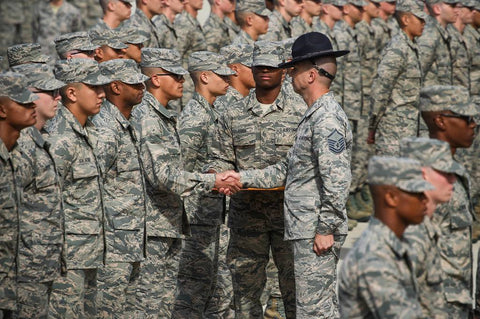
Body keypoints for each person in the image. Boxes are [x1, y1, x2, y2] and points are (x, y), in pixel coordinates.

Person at [129, 48, 241, 317]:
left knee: (187, 296)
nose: (181, 81)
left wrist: (213, 172)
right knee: (168, 300)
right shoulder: (162, 117)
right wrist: (212, 180)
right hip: (174, 220)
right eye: (175, 76)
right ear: (155, 79)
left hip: (179, 220)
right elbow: (172, 173)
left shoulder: (165, 116)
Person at [47, 59, 112, 318]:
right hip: (67, 257)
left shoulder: (90, 132)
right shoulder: (60, 138)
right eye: (94, 88)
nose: (102, 94)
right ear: (71, 93)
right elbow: (48, 203)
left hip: (90, 252)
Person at [172, 51, 235, 318]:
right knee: (194, 289)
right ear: (205, 77)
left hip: (212, 214)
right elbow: (180, 171)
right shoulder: (194, 117)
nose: (228, 80)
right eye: (222, 75)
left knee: (215, 286)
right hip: (197, 216)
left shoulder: (211, 110)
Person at [91, 59, 149, 318]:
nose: (142, 86)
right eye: (134, 83)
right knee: (107, 310)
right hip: (112, 243)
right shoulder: (105, 128)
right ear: (115, 86)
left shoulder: (128, 122)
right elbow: (95, 185)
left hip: (132, 238)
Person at [338, 156, 431, 318]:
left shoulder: (396, 244)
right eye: (417, 193)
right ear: (391, 197)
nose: (425, 200)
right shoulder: (374, 256)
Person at [8, 64, 65, 318]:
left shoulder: (41, 140)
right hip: (24, 268)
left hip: (45, 262)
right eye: (49, 92)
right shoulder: (21, 146)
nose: (58, 97)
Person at [419, 84, 477, 317]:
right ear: (441, 121)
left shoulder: (453, 170)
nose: (473, 124)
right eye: (466, 117)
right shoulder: (425, 176)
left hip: (455, 303)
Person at [400, 137, 461, 318]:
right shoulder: (410, 235)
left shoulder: (426, 224)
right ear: (423, 174)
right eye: (445, 173)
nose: (453, 180)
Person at [0, 72, 38, 318]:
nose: (32, 105)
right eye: (23, 102)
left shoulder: (17, 154)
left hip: (15, 279)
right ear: (2, 110)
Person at [368, 0, 427, 156]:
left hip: (411, 131)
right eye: (419, 19)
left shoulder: (412, 47)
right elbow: (380, 90)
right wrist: (372, 126)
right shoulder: (397, 49)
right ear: (406, 19)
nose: (423, 23)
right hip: (393, 134)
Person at [333, 0, 369, 223]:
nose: (362, 10)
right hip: (342, 103)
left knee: (356, 155)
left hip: (356, 102)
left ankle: (352, 196)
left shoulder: (353, 33)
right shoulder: (337, 33)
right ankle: (343, 204)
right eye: (358, 6)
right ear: (346, 7)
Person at [417, 0, 459, 86]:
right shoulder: (429, 35)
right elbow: (416, 74)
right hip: (428, 97)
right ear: (437, 9)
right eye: (452, 6)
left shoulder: (442, 32)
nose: (457, 10)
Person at [174, 0, 207, 107]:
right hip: (186, 88)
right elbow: (176, 56)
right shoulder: (183, 23)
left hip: (195, 85)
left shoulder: (193, 22)